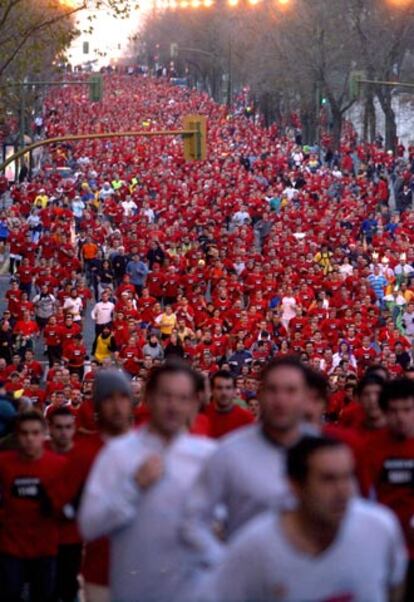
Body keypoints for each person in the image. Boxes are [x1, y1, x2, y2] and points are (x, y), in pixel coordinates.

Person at [196, 436, 407, 602]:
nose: (343, 491)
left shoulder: (380, 528)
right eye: (328, 479)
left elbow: (395, 586)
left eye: (347, 477)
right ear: (296, 486)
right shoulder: (255, 548)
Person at [78, 361, 216, 602]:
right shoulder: (118, 454)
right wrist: (133, 487)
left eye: (182, 398)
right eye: (166, 396)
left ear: (194, 403)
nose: (173, 406)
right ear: (149, 398)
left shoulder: (207, 456)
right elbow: (90, 525)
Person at [182, 357, 316, 567]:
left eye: (290, 391)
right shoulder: (228, 452)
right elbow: (194, 520)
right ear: (260, 395)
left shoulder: (324, 453)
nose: (280, 400)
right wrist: (224, 562)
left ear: (306, 397)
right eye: (272, 390)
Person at [50, 368, 135, 602]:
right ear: (97, 405)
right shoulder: (81, 454)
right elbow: (65, 508)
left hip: (147, 569)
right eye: (109, 398)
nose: (117, 406)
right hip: (100, 570)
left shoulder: (150, 448)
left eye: (122, 397)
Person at [0, 411, 65, 602]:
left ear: (44, 434)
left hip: (46, 548)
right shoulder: (3, 464)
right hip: (10, 547)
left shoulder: (59, 465)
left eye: (35, 433)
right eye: (24, 433)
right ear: (17, 435)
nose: (29, 439)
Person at [362, 379, 414, 602]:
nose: (400, 417)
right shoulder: (368, 448)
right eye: (393, 411)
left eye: (407, 410)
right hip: (383, 552)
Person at [47, 407, 82, 602]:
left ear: (74, 428)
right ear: (50, 428)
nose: (63, 432)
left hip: (71, 538)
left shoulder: (82, 457)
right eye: (58, 427)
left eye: (68, 427)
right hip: (42, 537)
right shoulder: (37, 452)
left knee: (68, 586)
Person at [204, 370, 254, 438]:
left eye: (228, 388)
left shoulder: (246, 419)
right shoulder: (202, 416)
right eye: (219, 388)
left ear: (234, 391)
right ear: (212, 390)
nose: (224, 392)